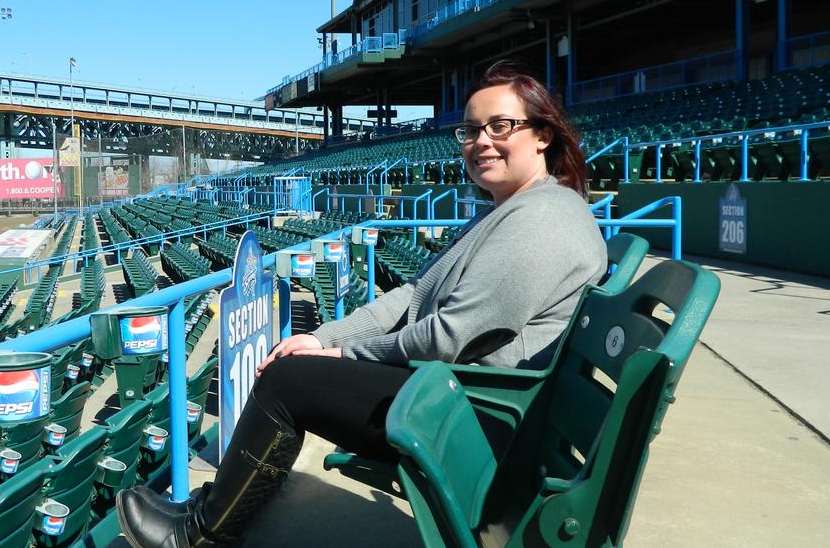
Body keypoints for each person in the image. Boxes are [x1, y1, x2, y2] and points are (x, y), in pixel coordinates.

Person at [116, 61, 607, 548]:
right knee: (298, 360)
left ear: (542, 135)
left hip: (477, 419)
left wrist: (344, 356)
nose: (481, 141)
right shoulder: (512, 209)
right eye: (471, 129)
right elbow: (413, 295)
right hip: (459, 397)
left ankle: (200, 535)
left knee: (289, 381)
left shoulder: (542, 220)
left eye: (501, 126)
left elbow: (451, 337)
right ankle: (218, 504)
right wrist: (322, 338)